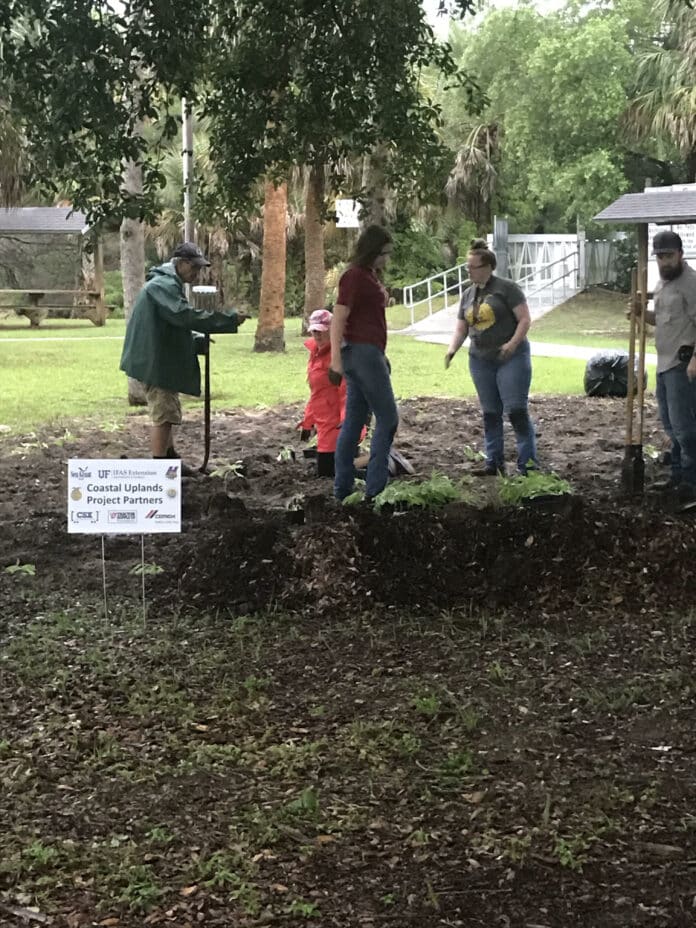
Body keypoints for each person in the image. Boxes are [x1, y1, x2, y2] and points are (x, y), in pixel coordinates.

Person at [120, 242, 248, 474]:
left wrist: (196, 340)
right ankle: (161, 468)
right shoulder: (163, 285)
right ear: (182, 263)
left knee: (169, 409)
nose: (197, 273)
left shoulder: (168, 283)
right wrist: (226, 320)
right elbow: (183, 315)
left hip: (159, 359)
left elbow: (172, 323)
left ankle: (171, 458)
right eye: (195, 268)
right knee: (163, 414)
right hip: (154, 362)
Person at [445, 238, 537, 475]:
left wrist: (512, 344)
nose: (468, 271)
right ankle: (493, 463)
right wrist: (452, 349)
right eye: (467, 266)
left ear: (487, 267)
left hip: (511, 357)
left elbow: (525, 320)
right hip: (480, 359)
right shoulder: (467, 295)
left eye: (473, 267)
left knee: (516, 409)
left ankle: (527, 463)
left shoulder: (507, 288)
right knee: (490, 412)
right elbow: (461, 327)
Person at [329, 225, 399, 501]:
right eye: (383, 253)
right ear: (371, 250)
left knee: (355, 419)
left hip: (368, 353)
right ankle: (375, 488)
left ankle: (343, 487)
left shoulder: (368, 276)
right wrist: (335, 360)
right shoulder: (354, 276)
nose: (386, 259)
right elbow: (339, 318)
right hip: (361, 354)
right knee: (388, 418)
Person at [634, 230, 696, 500]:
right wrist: (640, 313)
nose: (664, 261)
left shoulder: (691, 283)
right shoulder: (662, 283)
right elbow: (661, 319)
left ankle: (692, 483)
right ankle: (678, 477)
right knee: (670, 424)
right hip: (663, 363)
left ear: (680, 254)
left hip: (683, 366)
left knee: (684, 426)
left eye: (668, 256)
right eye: (659, 256)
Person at [298, 308, 347, 478]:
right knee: (328, 470)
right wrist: (307, 422)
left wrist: (346, 419)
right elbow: (316, 392)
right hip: (323, 421)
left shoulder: (337, 356)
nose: (317, 335)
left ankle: (382, 460)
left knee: (330, 471)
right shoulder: (315, 355)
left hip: (337, 423)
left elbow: (345, 392)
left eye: (321, 331)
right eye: (314, 331)